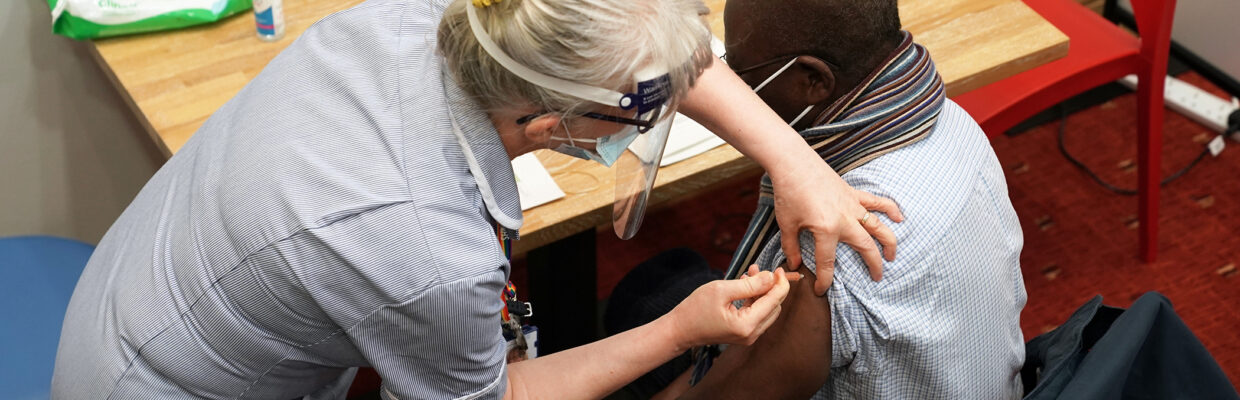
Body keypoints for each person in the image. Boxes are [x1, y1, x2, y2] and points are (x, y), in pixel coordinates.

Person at [49, 0, 905, 398]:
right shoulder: (422, 251)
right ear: (550, 118)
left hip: (143, 293)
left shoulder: (439, 21)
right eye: (634, 112)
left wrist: (795, 163)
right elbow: (499, 398)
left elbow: (650, 53)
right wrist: (680, 330)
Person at [672, 0, 1028, 398]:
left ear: (812, 80)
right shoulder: (953, 120)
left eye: (739, 71)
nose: (734, 85)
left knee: (652, 293)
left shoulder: (835, 241)